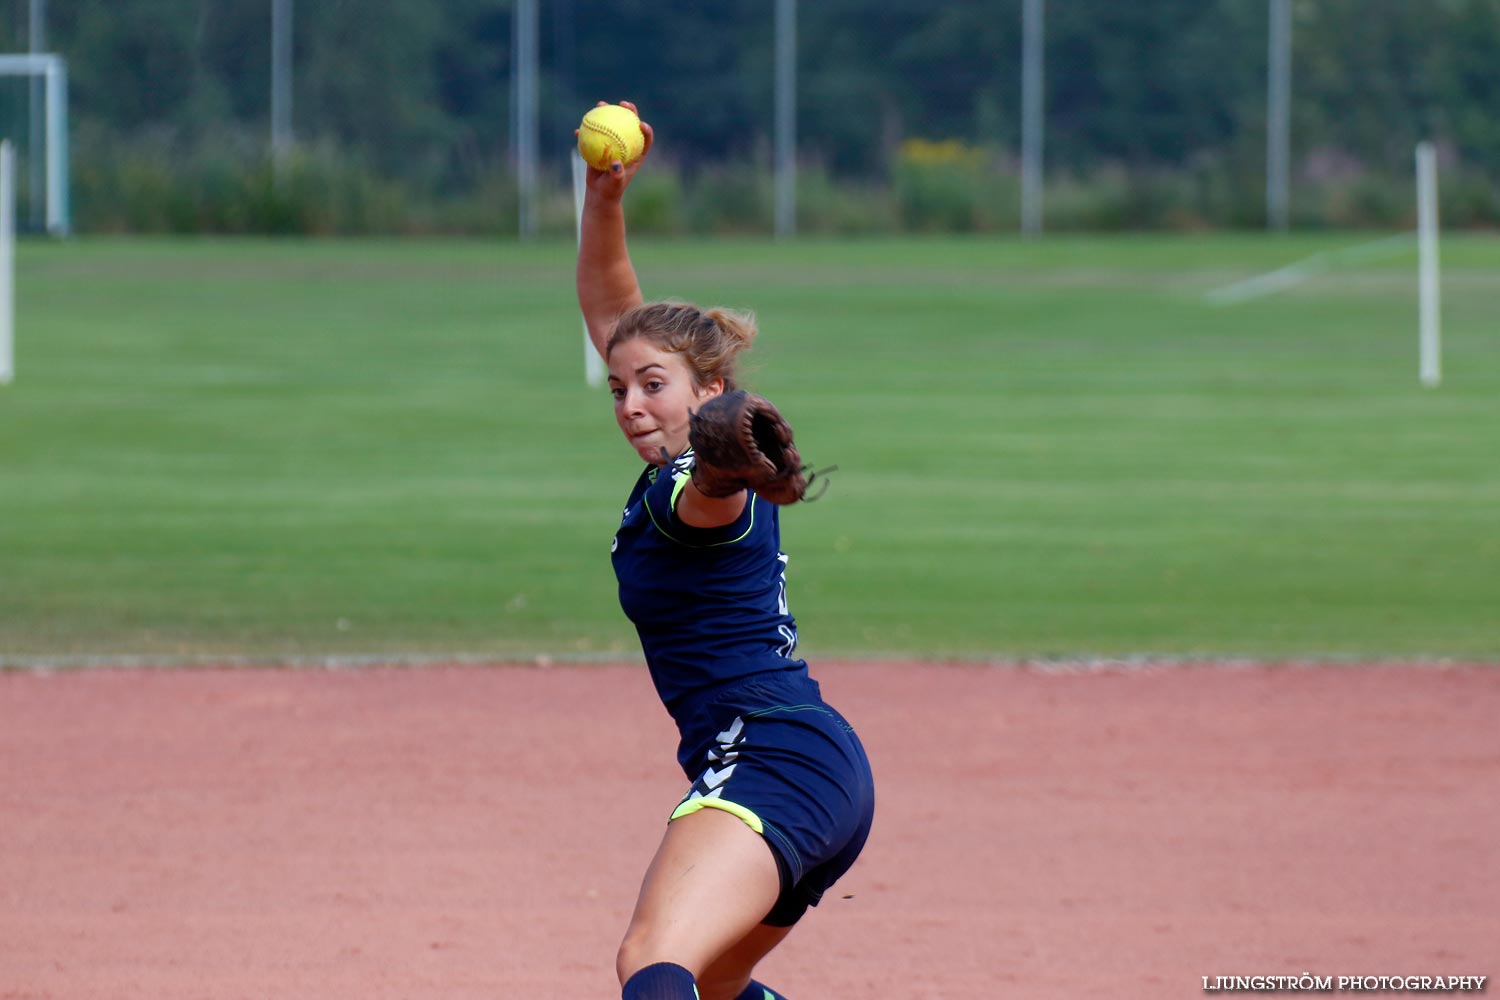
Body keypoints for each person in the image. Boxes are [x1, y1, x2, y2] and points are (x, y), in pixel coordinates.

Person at [575, 101, 876, 1000]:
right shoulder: (673, 429)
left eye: (652, 387)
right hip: (816, 765)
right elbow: (611, 307)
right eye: (619, 388)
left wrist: (717, 462)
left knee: (652, 959)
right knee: (710, 989)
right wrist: (605, 197)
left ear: (710, 390)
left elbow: (707, 495)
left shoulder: (691, 485)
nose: (630, 402)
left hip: (771, 758)